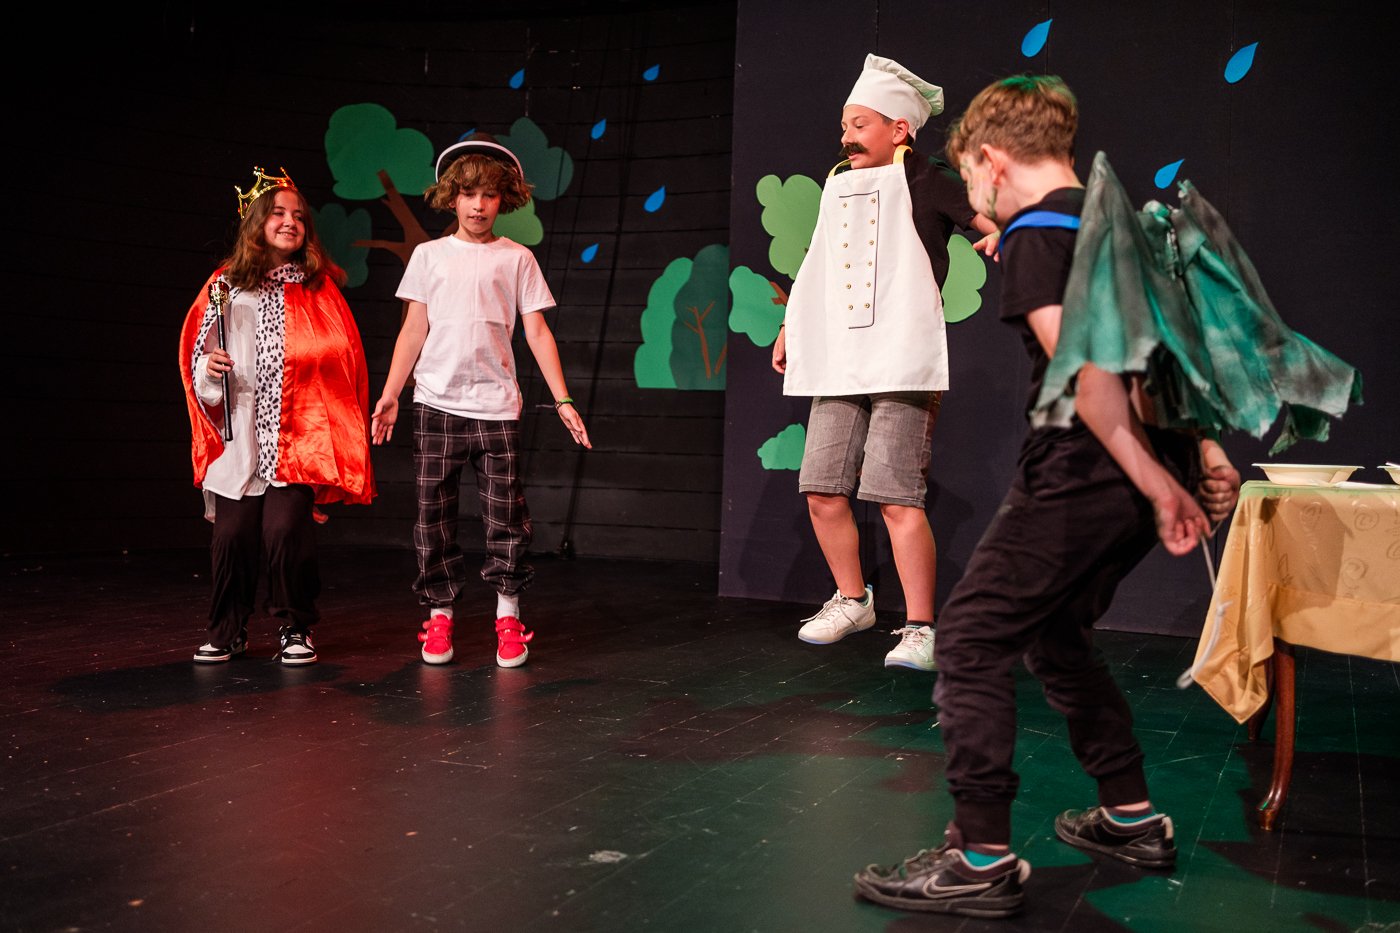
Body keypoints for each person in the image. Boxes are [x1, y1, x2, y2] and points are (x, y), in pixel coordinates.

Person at [852, 75, 1242, 917]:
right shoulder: (1108, 223)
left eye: (973, 179)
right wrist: (1199, 453)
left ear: (991, 161)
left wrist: (1162, 487)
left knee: (969, 638)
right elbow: (1167, 352)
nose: (977, 201)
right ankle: (1131, 816)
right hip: (1140, 468)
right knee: (1057, 636)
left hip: (1084, 469)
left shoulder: (1037, 235)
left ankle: (980, 857)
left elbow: (1090, 377)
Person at [771, 54, 997, 671]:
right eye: (845, 125)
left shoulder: (928, 177)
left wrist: (1001, 230)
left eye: (860, 124)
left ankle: (921, 627)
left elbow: (988, 218)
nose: (846, 136)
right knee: (821, 488)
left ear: (899, 129)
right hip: (840, 356)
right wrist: (791, 326)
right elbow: (818, 263)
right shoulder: (838, 183)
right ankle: (853, 600)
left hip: (900, 356)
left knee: (896, 497)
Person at [371, 136, 590, 668]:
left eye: (488, 195)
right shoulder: (429, 256)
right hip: (436, 403)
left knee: (505, 514)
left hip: (496, 407)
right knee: (433, 515)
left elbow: (537, 332)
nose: (477, 205)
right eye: (468, 194)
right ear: (452, 197)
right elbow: (413, 329)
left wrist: (562, 398)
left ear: (503, 200)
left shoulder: (517, 258)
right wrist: (391, 393)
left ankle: (508, 616)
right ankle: (440, 617)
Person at [179, 167, 375, 666]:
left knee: (285, 531)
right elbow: (198, 362)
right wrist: (209, 370)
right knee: (231, 536)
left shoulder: (318, 290)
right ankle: (229, 629)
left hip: (297, 435)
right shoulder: (225, 287)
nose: (291, 223)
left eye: (299, 216)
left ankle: (295, 625)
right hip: (240, 438)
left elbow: (344, 359)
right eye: (279, 214)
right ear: (256, 223)